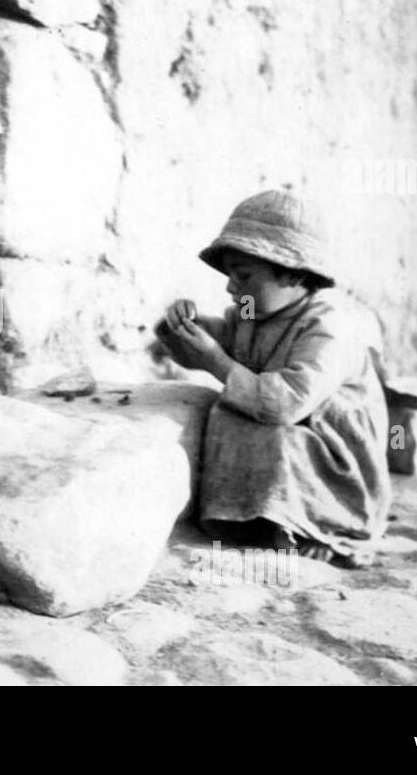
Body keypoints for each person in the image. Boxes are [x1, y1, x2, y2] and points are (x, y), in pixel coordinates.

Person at [155, 189, 392, 567]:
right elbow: (228, 338)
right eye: (230, 274)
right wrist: (185, 326)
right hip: (281, 421)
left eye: (244, 275)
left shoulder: (329, 328)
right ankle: (255, 519)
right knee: (228, 418)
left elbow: (287, 404)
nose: (231, 287)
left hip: (334, 454)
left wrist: (215, 362)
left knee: (278, 437)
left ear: (293, 273)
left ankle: (320, 523)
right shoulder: (253, 311)